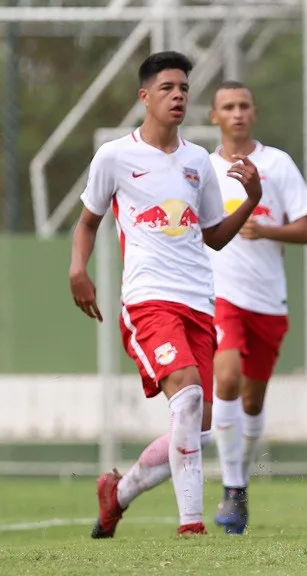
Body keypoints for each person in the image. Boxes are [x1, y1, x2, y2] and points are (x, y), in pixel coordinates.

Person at [69, 51, 263, 538]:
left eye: (183, 88)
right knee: (191, 395)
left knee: (195, 425)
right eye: (167, 88)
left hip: (199, 301)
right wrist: (78, 268)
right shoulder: (114, 156)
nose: (178, 95)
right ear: (145, 97)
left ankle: (118, 493)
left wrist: (253, 201)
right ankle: (190, 525)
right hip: (147, 300)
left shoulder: (198, 161)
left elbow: (214, 236)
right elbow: (88, 221)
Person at [205, 80, 307, 535]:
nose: (236, 113)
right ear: (214, 116)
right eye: (227, 106)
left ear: (254, 112)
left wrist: (265, 230)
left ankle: (241, 484)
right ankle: (231, 488)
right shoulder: (202, 167)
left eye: (243, 105)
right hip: (220, 295)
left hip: (269, 301)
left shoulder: (277, 164)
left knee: (252, 400)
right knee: (225, 377)